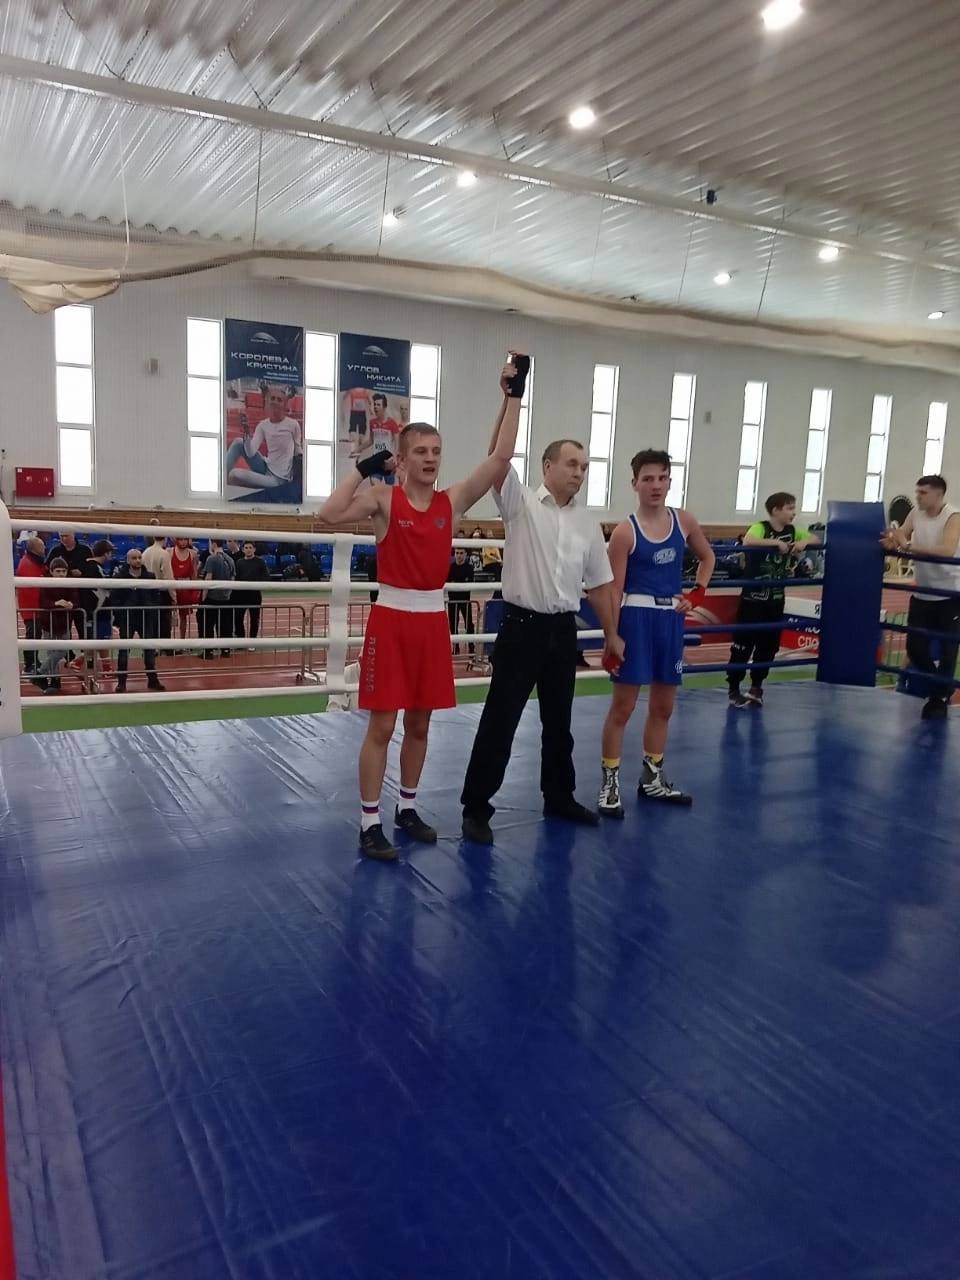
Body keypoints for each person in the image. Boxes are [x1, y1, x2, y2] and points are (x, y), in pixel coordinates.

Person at [319, 356, 528, 860]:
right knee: (382, 726)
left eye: (436, 451)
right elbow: (328, 514)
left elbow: (500, 458)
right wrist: (362, 468)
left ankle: (406, 808)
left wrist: (514, 395)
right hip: (391, 621)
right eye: (421, 451)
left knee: (419, 724)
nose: (431, 458)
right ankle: (369, 821)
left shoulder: (451, 502)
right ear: (403, 458)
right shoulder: (383, 499)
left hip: (432, 622)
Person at [459, 438, 622, 846]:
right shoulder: (521, 504)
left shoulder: (587, 523)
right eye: (571, 464)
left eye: (584, 466)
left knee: (559, 721)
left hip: (563, 630)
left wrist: (612, 635)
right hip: (522, 627)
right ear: (547, 466)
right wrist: (512, 403)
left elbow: (600, 585)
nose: (579, 472)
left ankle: (559, 796)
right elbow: (497, 457)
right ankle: (476, 808)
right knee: (501, 721)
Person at [597, 450, 716, 817]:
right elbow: (614, 590)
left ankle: (652, 778)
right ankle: (610, 784)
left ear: (669, 481)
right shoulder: (625, 532)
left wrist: (697, 593)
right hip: (635, 620)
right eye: (648, 479)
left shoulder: (684, 521)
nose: (656, 485)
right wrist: (612, 636)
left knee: (664, 706)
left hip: (670, 621)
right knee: (623, 707)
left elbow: (708, 557)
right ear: (634, 483)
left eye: (662, 478)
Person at [726, 492, 820, 708]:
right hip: (753, 599)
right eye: (789, 508)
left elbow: (816, 538)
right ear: (776, 510)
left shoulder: (793, 530)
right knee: (743, 645)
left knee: (768, 646)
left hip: (776, 599)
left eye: (794, 508)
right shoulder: (761, 527)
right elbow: (749, 540)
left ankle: (756, 686)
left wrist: (804, 542)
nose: (793, 512)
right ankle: (734, 688)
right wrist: (775, 543)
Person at [881, 473, 960, 720]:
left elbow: (947, 549)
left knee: (947, 650)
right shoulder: (915, 513)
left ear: (939, 494)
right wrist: (893, 542)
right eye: (917, 492)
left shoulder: (953, 516)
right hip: (922, 592)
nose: (918, 497)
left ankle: (938, 699)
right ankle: (941, 688)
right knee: (914, 648)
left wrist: (907, 546)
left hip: (949, 593)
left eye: (923, 493)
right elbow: (901, 535)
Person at [108, 549, 166, 693]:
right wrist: (121, 614)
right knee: (123, 651)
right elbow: (114, 599)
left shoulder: (150, 576)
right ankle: (121, 682)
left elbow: (156, 597)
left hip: (146, 617)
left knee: (149, 650)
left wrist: (151, 609)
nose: (138, 560)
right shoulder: (120, 578)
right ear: (128, 560)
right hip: (127, 618)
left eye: (139, 557)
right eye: (134, 558)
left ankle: (153, 680)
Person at [226, 385, 303, 492]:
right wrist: (247, 434)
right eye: (272, 398)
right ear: (268, 402)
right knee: (238, 442)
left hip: (278, 479)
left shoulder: (293, 425)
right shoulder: (263, 425)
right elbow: (250, 453)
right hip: (266, 466)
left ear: (284, 405)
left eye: (279, 400)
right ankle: (220, 478)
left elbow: (298, 450)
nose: (275, 402)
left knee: (234, 474)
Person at [36, 559, 80, 694]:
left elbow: (76, 600)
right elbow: (43, 602)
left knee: (62, 650)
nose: (61, 574)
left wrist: (72, 604)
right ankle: (54, 682)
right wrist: (56, 603)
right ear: (51, 571)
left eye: (64, 571)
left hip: (64, 623)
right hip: (48, 623)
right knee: (52, 652)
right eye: (58, 571)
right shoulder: (45, 583)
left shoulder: (70, 583)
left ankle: (39, 673)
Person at [16, 536, 47, 682]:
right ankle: (30, 664)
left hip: (32, 606)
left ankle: (32, 662)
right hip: (32, 607)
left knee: (35, 634)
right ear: (35, 548)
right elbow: (34, 588)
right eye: (42, 546)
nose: (44, 548)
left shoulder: (32, 561)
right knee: (33, 634)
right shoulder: (28, 564)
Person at [200, 539, 236, 656]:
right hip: (226, 598)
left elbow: (208, 578)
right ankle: (225, 650)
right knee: (225, 625)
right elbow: (232, 579)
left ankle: (208, 651)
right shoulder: (230, 559)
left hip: (212, 597)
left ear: (214, 544)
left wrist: (203, 597)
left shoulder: (211, 559)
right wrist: (227, 593)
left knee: (208, 625)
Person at [232, 541, 269, 648]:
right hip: (241, 595)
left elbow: (266, 577)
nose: (248, 549)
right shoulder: (239, 562)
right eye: (246, 547)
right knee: (238, 618)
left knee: (254, 619)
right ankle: (241, 641)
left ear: (254, 549)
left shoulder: (260, 562)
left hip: (254, 595)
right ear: (243, 549)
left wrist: (255, 583)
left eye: (250, 547)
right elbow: (236, 578)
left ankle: (252, 642)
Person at [142, 529, 175, 641]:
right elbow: (168, 577)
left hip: (148, 592)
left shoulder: (145, 552)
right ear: (165, 539)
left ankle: (152, 646)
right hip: (162, 594)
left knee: (151, 624)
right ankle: (165, 647)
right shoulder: (164, 554)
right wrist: (174, 596)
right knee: (164, 624)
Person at [170, 537, 201, 649]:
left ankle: (182, 642)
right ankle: (167, 643)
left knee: (183, 616)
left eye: (185, 540)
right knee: (168, 615)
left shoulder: (193, 554)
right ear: (176, 540)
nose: (183, 542)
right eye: (181, 539)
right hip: (173, 586)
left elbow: (194, 574)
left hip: (186, 587)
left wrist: (194, 590)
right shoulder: (169, 552)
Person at [447, 547, 475, 656]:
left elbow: (469, 584)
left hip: (465, 600)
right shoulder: (450, 568)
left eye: (461, 553)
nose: (459, 555)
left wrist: (456, 584)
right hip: (452, 601)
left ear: (465, 554)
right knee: (453, 624)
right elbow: (447, 583)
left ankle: (471, 647)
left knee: (469, 625)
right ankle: (455, 647)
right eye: (457, 553)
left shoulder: (469, 568)